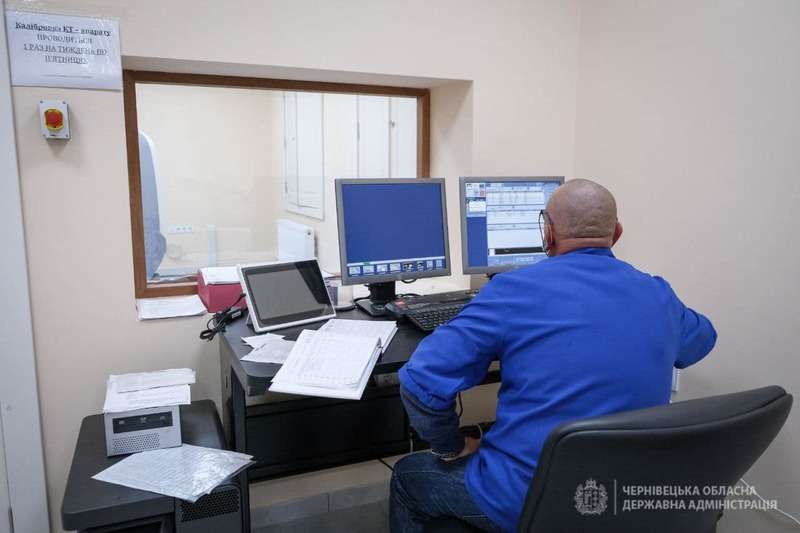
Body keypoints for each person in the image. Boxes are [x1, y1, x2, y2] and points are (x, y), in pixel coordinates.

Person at [390, 178, 717, 532]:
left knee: (408, 476)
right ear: (617, 233)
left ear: (547, 233)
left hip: (530, 499)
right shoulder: (658, 293)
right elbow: (702, 341)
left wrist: (451, 446)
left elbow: (419, 381)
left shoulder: (511, 291)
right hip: (626, 495)